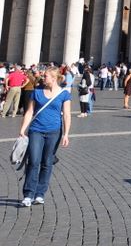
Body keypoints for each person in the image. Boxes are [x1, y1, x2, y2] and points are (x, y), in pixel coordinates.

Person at [17, 66, 72, 207]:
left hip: (54, 132)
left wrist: (66, 134)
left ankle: (40, 193)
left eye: (45, 76)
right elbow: (29, 112)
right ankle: (28, 194)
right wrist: (23, 129)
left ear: (54, 78)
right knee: (34, 161)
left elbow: (66, 114)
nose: (43, 78)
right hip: (36, 130)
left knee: (47, 163)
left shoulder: (64, 94)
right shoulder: (37, 92)